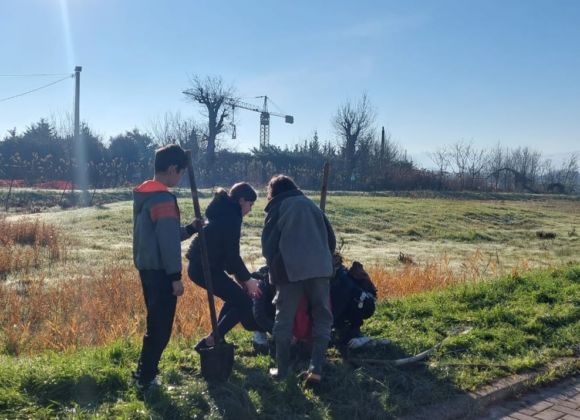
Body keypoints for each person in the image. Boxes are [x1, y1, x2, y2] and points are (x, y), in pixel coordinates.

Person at [132, 144, 197, 390]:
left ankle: (145, 372)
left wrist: (190, 229)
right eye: (180, 173)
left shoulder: (145, 196)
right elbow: (168, 244)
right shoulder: (164, 199)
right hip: (162, 273)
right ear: (172, 169)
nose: (179, 178)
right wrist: (175, 277)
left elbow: (160, 235)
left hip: (147, 269)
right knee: (160, 329)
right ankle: (146, 378)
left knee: (154, 324)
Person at [262, 175, 336, 384]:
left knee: (284, 319)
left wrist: (274, 267)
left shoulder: (278, 208)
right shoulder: (312, 206)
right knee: (323, 317)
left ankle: (282, 370)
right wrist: (324, 262)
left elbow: (268, 246)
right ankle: (316, 368)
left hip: (289, 271)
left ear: (273, 192)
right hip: (321, 270)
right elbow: (331, 240)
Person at [187, 182, 263, 350]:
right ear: (242, 200)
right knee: (243, 301)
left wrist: (241, 279)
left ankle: (216, 338)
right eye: (250, 204)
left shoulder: (225, 211)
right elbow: (232, 255)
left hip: (201, 266)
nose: (250, 209)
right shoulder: (232, 217)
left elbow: (229, 257)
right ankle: (211, 341)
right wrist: (248, 280)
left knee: (235, 296)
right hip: (204, 268)